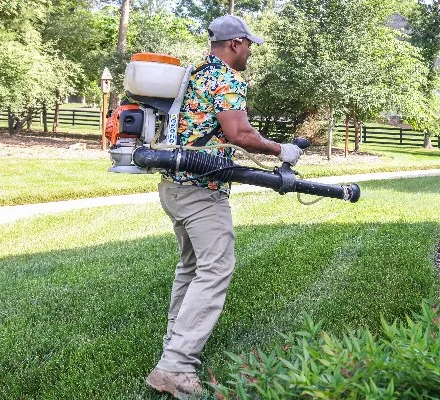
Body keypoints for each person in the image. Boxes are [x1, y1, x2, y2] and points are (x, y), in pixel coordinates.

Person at [144, 14, 302, 398]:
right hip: (200, 190)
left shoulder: (196, 72)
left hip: (174, 185)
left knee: (192, 267)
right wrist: (283, 149)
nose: (250, 52)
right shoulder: (226, 79)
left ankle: (174, 346)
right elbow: (240, 134)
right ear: (235, 44)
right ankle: (177, 366)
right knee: (216, 269)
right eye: (249, 44)